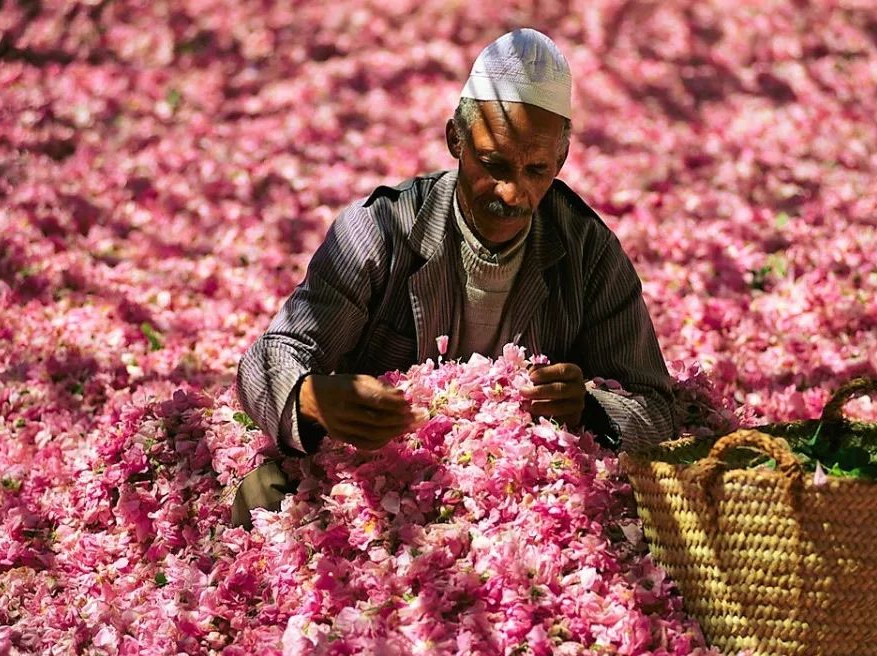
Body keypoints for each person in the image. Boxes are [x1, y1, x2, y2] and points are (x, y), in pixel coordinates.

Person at [232, 29, 674, 527]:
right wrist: (311, 398)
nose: (513, 193)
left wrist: (588, 410)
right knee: (264, 495)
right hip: (378, 487)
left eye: (536, 170)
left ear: (562, 161)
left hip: (522, 507)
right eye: (494, 164)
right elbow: (268, 357)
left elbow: (655, 406)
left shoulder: (589, 253)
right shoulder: (381, 230)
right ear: (454, 139)